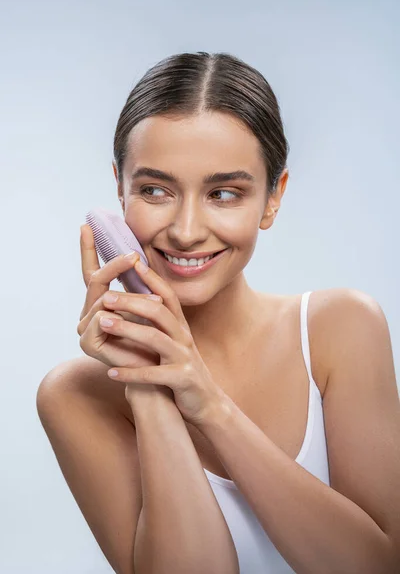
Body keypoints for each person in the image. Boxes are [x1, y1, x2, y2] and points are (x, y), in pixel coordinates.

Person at [36, 52, 400, 574]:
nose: (186, 229)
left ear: (274, 198)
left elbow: (378, 566)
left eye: (224, 193)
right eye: (155, 190)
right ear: (119, 189)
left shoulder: (341, 330)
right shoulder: (75, 397)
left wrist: (208, 403)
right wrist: (149, 386)